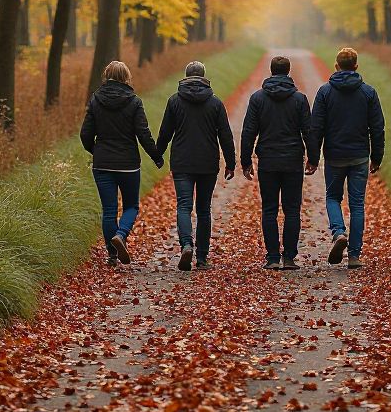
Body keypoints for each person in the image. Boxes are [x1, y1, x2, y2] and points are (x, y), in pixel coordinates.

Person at [80, 60, 163, 266]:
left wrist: (97, 150)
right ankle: (121, 235)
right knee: (131, 206)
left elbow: (85, 135)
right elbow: (143, 133)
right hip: (128, 164)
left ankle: (112, 254)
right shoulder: (134, 101)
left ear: (106, 76)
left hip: (102, 164)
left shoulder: (95, 100)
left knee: (109, 210)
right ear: (126, 77)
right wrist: (156, 156)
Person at [156, 61, 236, 271]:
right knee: (203, 209)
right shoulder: (215, 103)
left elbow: (165, 133)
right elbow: (225, 136)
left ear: (185, 76)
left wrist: (157, 155)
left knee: (184, 205)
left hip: (182, 161)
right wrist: (231, 163)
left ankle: (186, 245)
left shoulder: (174, 101)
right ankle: (201, 257)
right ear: (204, 77)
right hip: (207, 162)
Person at [241, 55, 319, 271]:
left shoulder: (258, 99)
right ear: (288, 71)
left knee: (269, 209)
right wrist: (313, 158)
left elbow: (249, 131)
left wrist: (245, 160)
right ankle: (290, 258)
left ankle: (273, 257)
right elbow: (308, 131)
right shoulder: (299, 99)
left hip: (268, 160)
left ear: (271, 70)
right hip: (293, 160)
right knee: (292, 209)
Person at [310, 46, 385, 269]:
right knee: (357, 204)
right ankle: (354, 255)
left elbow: (316, 127)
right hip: (360, 156)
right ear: (356, 66)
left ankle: (339, 232)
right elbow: (378, 128)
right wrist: (377, 156)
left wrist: (313, 158)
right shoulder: (368, 92)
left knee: (333, 197)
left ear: (336, 66)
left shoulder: (325, 92)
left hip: (334, 155)